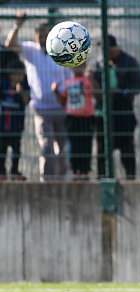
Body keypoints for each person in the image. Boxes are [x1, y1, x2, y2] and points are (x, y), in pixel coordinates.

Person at [6, 11, 73, 181]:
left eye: (46, 35)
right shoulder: (31, 50)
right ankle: (47, 181)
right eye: (40, 35)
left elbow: (70, 78)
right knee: (46, 146)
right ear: (36, 37)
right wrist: (18, 25)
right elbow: (10, 44)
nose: (43, 39)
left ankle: (61, 180)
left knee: (62, 147)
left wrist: (63, 93)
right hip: (41, 109)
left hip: (61, 107)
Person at [94, 34, 140, 179]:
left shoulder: (129, 62)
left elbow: (138, 86)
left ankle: (130, 180)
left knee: (126, 150)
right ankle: (103, 181)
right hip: (104, 114)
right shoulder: (100, 64)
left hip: (123, 114)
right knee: (102, 151)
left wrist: (119, 93)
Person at [52, 62, 100, 180]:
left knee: (86, 145)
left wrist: (92, 80)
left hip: (86, 118)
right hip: (72, 118)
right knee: (74, 146)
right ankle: (75, 170)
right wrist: (56, 92)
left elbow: (98, 95)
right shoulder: (68, 83)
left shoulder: (87, 81)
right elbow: (64, 102)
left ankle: (84, 170)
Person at [0, 58, 29, 180]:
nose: (20, 76)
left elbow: (27, 102)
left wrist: (21, 92)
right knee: (2, 150)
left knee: (16, 150)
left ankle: (14, 171)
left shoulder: (24, 87)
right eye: (17, 74)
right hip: (3, 126)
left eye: (22, 74)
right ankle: (2, 172)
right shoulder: (3, 86)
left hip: (17, 126)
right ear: (11, 74)